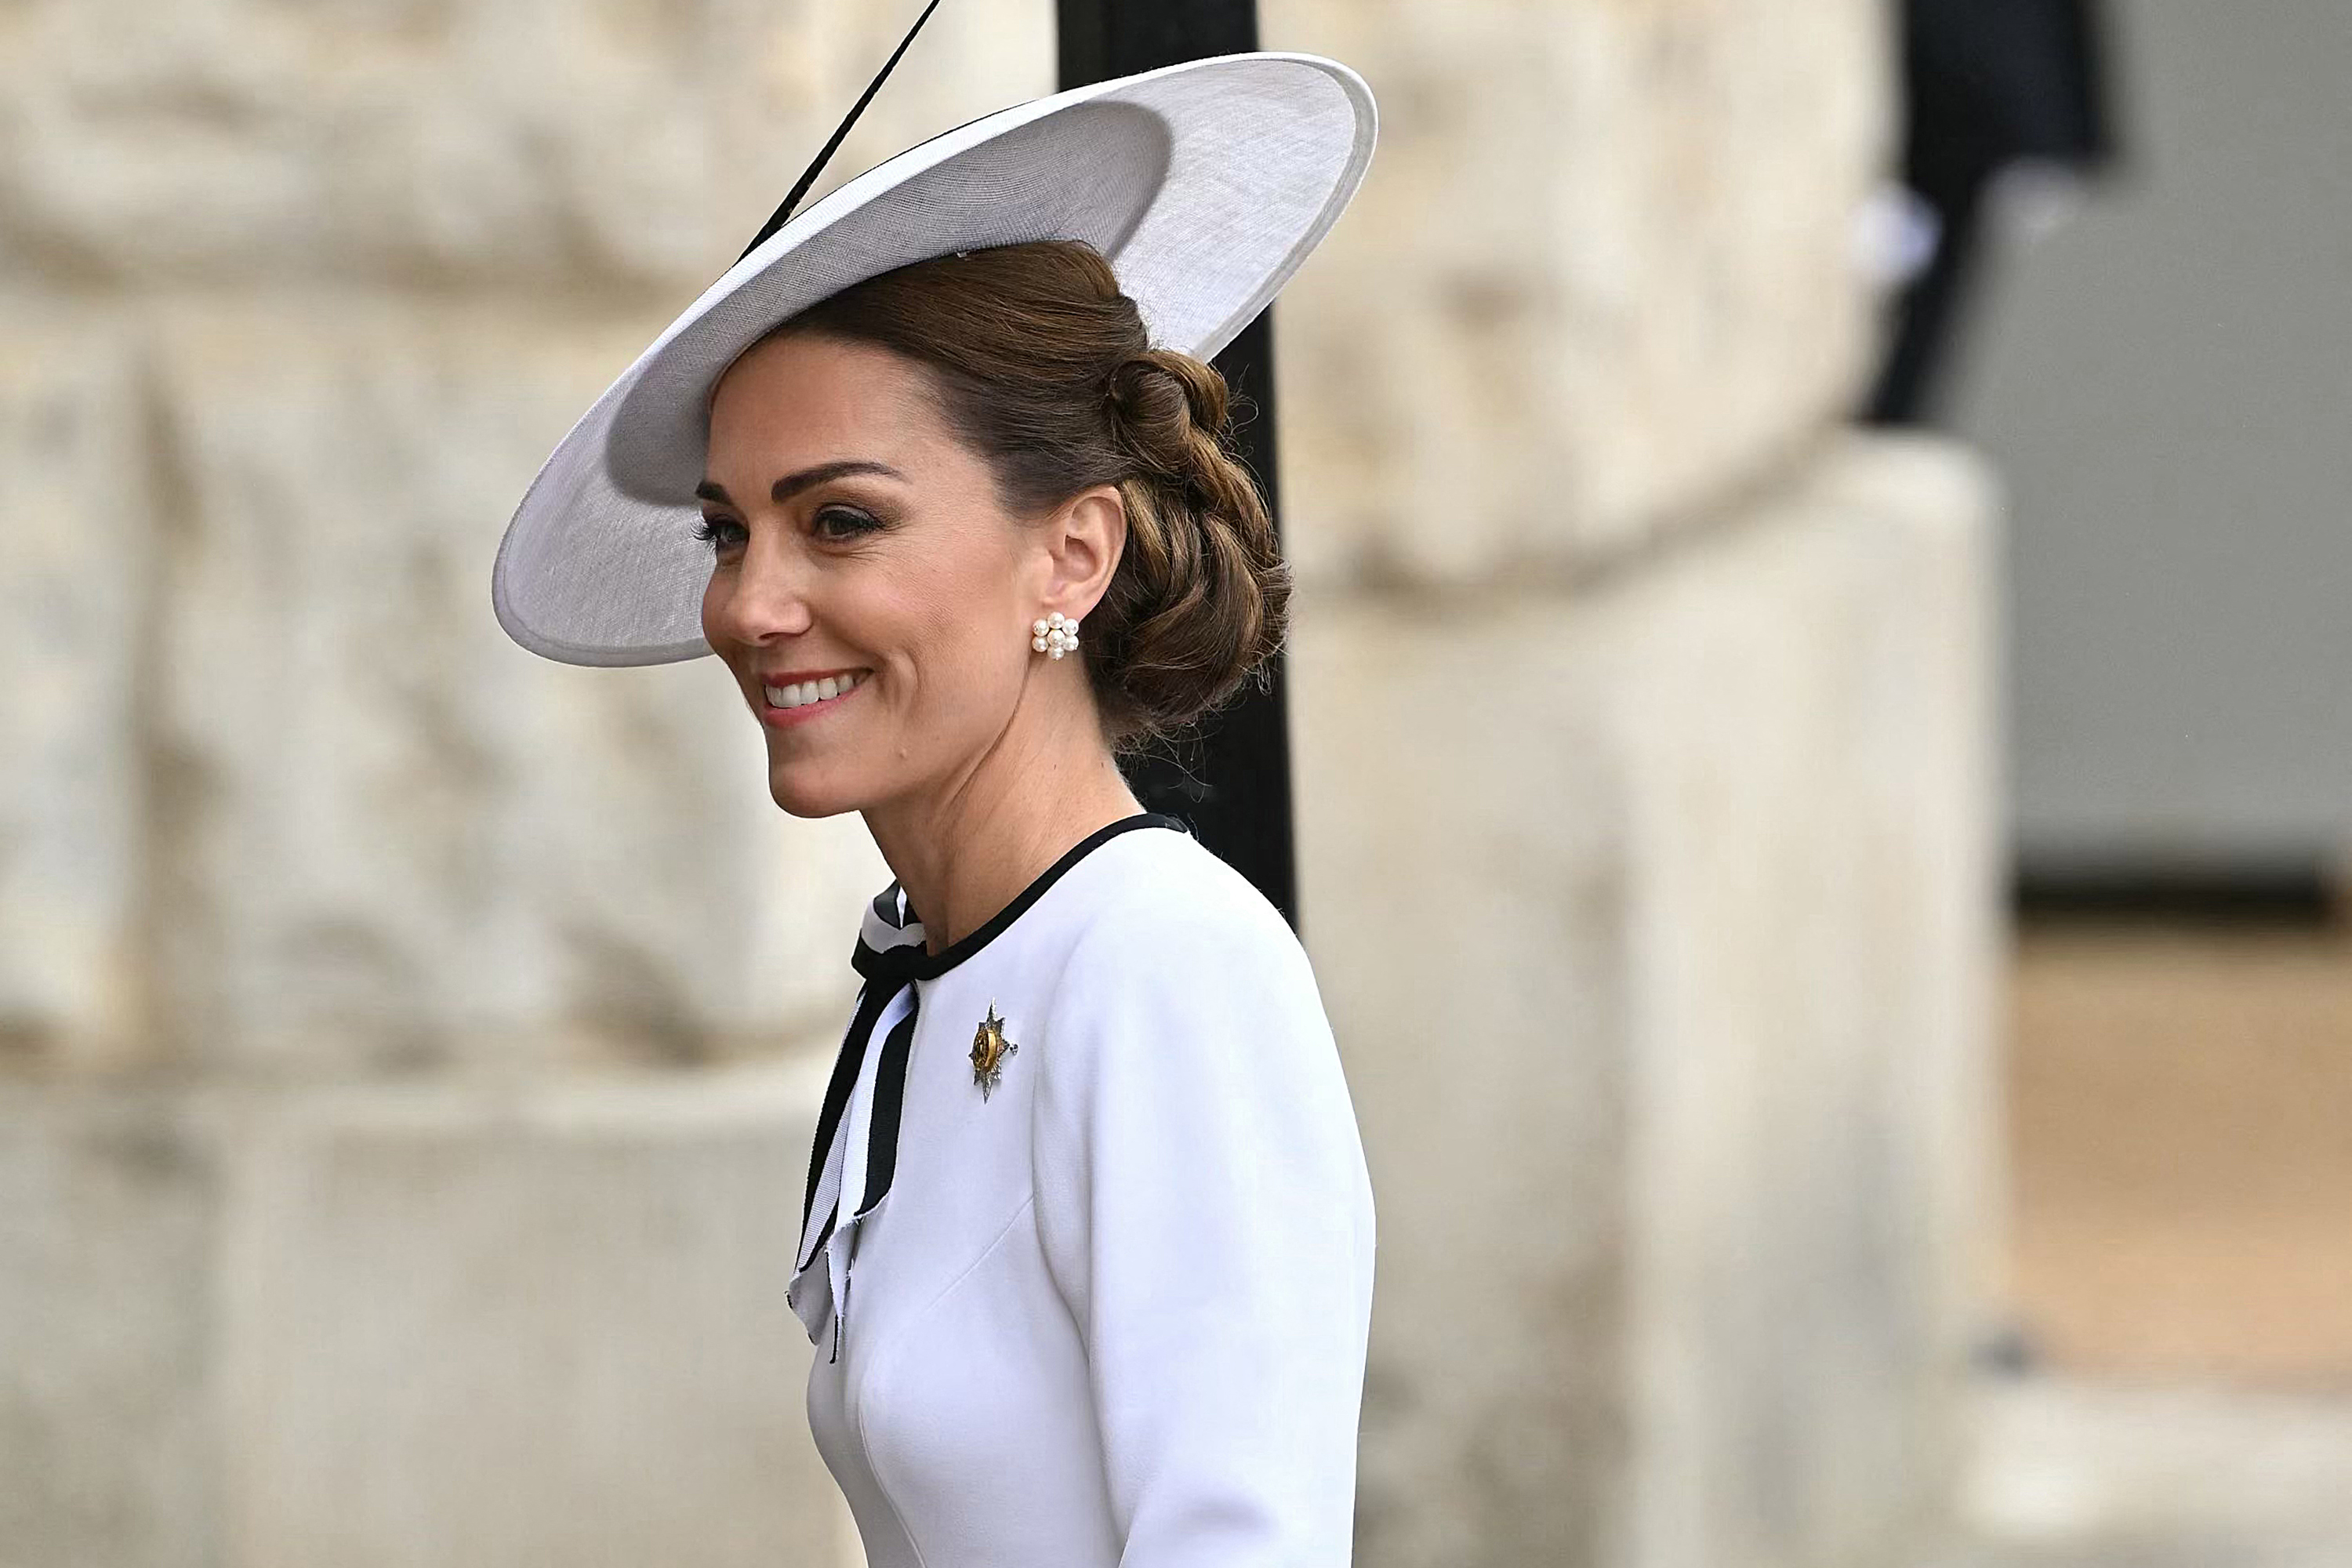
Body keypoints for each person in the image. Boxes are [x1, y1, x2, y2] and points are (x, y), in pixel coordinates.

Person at [489, 52, 1380, 1568]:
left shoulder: (1163, 968)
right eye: (729, 530)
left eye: (842, 521)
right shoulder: (935, 974)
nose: (752, 603)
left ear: (1072, 556)